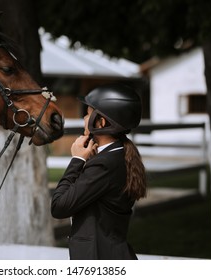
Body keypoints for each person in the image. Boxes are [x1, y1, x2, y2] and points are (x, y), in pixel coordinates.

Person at [51, 84, 147, 260]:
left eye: (87, 114)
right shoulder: (117, 156)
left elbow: (59, 206)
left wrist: (77, 161)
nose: (84, 118)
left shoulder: (105, 165)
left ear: (100, 122)